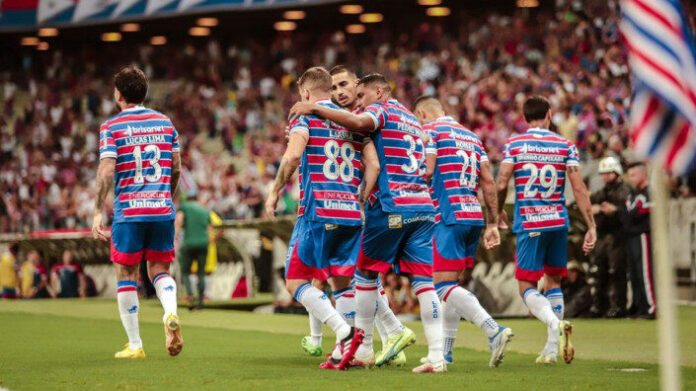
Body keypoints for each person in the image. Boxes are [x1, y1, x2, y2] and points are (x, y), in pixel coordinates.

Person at [289, 73, 445, 373]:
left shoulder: (381, 110)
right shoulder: (413, 119)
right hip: (424, 207)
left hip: (392, 205)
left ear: (378, 91)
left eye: (362, 97)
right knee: (425, 283)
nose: (360, 103)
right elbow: (426, 165)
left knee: (362, 274)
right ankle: (436, 356)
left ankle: (362, 348)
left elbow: (361, 126)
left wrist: (315, 109)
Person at [264, 66, 366, 371]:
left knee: (294, 280)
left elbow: (293, 156)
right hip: (351, 211)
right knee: (342, 282)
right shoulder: (352, 121)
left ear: (306, 93)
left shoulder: (306, 116)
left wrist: (274, 192)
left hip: (318, 211)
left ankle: (344, 331)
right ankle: (343, 352)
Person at [496, 96, 596, 365]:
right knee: (554, 281)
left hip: (531, 223)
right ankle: (551, 350)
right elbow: (578, 188)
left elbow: (503, 179)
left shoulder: (515, 144)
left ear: (525, 117)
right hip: (558, 222)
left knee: (526, 286)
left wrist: (496, 212)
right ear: (550, 114)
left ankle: (555, 323)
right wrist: (591, 225)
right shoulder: (566, 145)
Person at [414, 95, 512, 367]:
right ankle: (446, 351)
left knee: (441, 286)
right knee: (451, 285)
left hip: (446, 216)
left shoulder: (430, 132)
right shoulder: (472, 137)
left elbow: (426, 170)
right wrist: (492, 223)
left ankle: (494, 330)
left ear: (422, 114)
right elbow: (488, 182)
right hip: (472, 216)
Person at [92, 65, 183, 359]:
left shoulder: (111, 127)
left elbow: (106, 171)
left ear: (118, 94)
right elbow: (177, 167)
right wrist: (166, 197)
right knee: (159, 269)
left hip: (129, 213)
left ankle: (135, 345)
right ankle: (169, 313)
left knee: (126, 272)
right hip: (161, 209)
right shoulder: (166, 123)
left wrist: (96, 211)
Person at [589, 156, 631, 318]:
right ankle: (600, 306)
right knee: (600, 272)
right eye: (603, 173)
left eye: (608, 173)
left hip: (617, 236)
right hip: (602, 235)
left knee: (617, 272)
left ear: (617, 173)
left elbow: (626, 210)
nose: (605, 176)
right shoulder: (602, 192)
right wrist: (599, 208)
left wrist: (614, 210)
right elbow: (589, 206)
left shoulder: (625, 191)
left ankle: (618, 307)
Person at [618, 162, 655, 319]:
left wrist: (626, 213)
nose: (630, 179)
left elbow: (636, 214)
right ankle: (639, 306)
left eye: (633, 175)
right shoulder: (633, 194)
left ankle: (652, 307)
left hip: (642, 235)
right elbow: (627, 214)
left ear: (643, 174)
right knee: (634, 273)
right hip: (631, 235)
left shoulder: (648, 193)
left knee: (645, 272)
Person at [176, 192, 211, 310]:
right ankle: (201, 301)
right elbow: (208, 229)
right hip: (203, 243)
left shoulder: (185, 207)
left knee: (185, 272)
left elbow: (179, 221)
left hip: (189, 243)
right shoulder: (205, 210)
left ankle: (190, 294)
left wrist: (175, 238)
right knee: (201, 273)